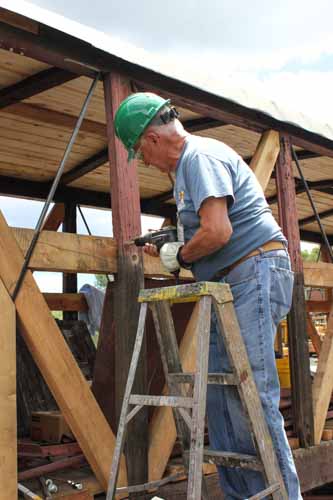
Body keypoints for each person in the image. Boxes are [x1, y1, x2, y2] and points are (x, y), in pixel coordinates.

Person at [114, 92, 302, 499]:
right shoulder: (187, 170)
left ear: (151, 139)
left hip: (253, 271)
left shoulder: (198, 158)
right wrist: (173, 241)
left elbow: (218, 232)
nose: (144, 162)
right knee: (221, 401)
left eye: (140, 153)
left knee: (252, 397)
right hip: (232, 280)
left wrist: (179, 255)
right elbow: (207, 228)